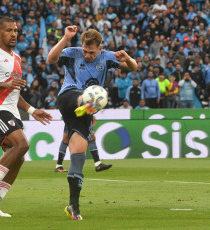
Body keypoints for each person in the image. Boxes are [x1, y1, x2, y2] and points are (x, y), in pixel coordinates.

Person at [47, 26, 137, 220]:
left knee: (78, 156)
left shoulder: (107, 57)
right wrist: (65, 38)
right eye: (85, 51)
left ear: (99, 48)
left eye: (92, 52)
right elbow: (51, 59)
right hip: (68, 96)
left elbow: (134, 68)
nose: (87, 55)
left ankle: (74, 207)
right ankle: (87, 105)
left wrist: (127, 59)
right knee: (90, 97)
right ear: (82, 46)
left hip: (81, 113)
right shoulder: (72, 53)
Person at [0, 17, 52, 218]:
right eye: (9, 30)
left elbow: (14, 93)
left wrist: (32, 110)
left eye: (16, 30)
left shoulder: (16, 59)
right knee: (22, 145)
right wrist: (5, 84)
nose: (13, 34)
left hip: (12, 110)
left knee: (18, 158)